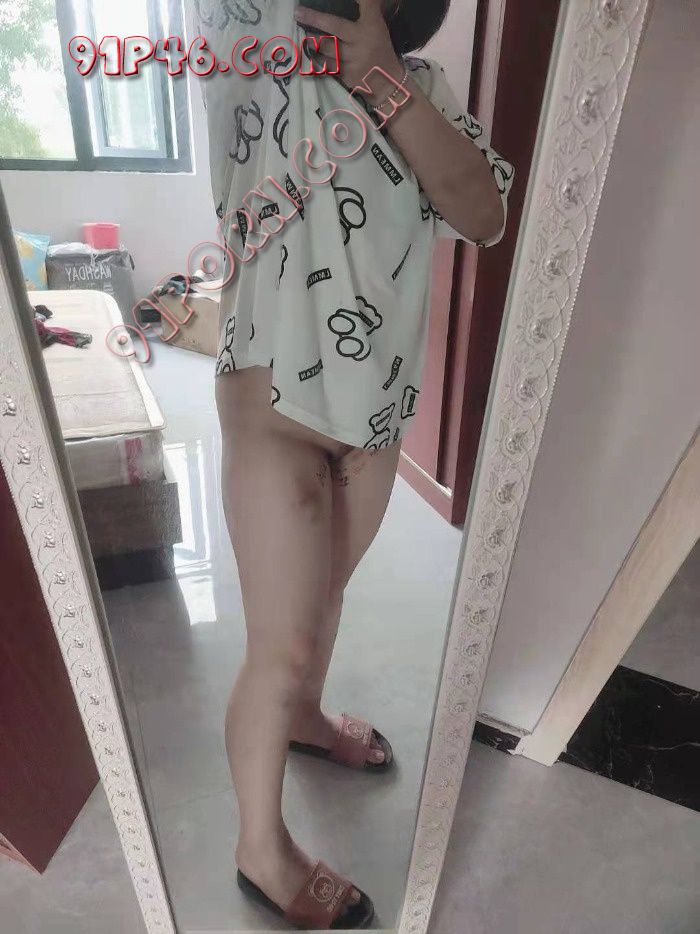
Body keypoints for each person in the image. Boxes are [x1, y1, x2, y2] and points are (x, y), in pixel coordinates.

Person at [195, 0, 515, 927]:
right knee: (282, 641)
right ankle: (261, 849)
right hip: (275, 406)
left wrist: (384, 79)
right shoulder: (248, 48)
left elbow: (484, 215)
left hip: (374, 413)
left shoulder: (425, 90)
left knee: (324, 597)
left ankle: (305, 718)